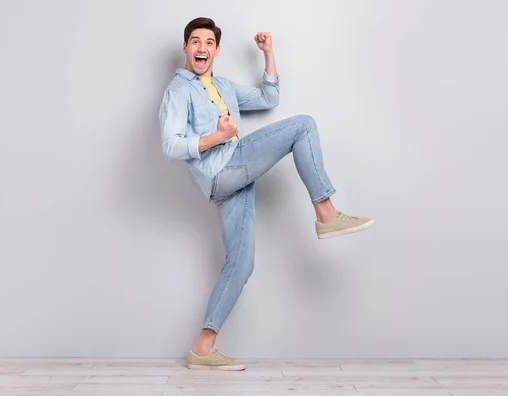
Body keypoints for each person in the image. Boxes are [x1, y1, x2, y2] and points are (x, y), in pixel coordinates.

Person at [158, 17, 375, 370]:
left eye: (209, 43)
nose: (202, 48)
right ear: (186, 47)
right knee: (303, 125)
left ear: (216, 49)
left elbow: (268, 97)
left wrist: (268, 53)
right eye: (195, 41)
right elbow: (169, 145)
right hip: (222, 169)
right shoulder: (178, 91)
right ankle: (326, 214)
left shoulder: (223, 86)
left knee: (241, 264)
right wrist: (216, 136)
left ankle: (202, 348)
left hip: (233, 182)